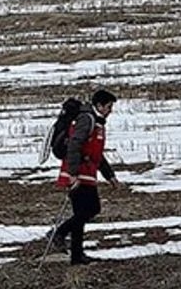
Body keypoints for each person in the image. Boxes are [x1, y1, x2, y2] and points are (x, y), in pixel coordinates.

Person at [51, 89, 121, 265]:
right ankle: (59, 233)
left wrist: (109, 175)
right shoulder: (87, 119)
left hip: (86, 172)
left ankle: (76, 256)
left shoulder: (96, 122)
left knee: (81, 214)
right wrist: (74, 175)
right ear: (99, 106)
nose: (110, 110)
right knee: (91, 209)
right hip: (79, 172)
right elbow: (75, 144)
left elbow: (96, 153)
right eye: (109, 106)